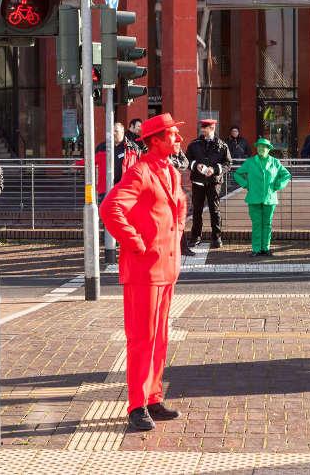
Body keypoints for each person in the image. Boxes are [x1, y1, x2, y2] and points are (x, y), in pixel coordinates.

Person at [100, 113, 187, 432]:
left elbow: (180, 206)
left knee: (160, 336)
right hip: (144, 269)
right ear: (156, 140)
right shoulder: (140, 171)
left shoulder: (172, 171)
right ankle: (137, 404)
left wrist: (176, 234)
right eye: (173, 135)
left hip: (166, 267)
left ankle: (153, 397)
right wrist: (137, 243)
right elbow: (110, 208)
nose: (178, 139)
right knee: (142, 338)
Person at [233, 138, 291, 257]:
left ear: (269, 149)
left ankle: (266, 248)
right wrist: (246, 184)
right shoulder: (250, 162)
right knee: (257, 224)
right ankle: (256, 249)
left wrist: (278, 185)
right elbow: (237, 174)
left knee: (267, 224)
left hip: (269, 198)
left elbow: (286, 175)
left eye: (264, 147)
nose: (261, 149)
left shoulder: (275, 162)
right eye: (259, 146)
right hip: (254, 198)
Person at [186, 118, 232, 249]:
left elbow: (228, 164)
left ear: (212, 128)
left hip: (214, 182)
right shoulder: (194, 144)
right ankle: (195, 238)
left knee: (215, 210)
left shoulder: (222, 145)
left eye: (205, 128)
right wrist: (196, 165)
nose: (202, 130)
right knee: (197, 211)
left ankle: (216, 238)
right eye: (202, 128)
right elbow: (187, 159)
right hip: (198, 182)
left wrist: (215, 169)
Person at [76, 123, 140, 204]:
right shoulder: (102, 147)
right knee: (106, 213)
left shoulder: (131, 147)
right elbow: (92, 159)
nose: (113, 133)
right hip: (105, 189)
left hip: (125, 189)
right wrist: (77, 164)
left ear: (122, 132)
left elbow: (139, 165)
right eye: (111, 131)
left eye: (116, 131)